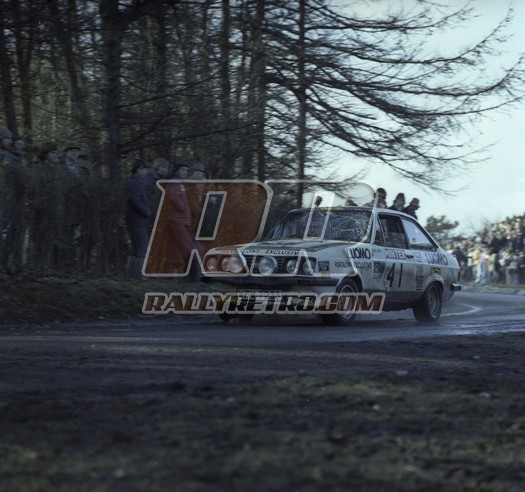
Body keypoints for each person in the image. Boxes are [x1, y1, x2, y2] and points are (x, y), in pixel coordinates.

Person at [165, 160, 203, 280]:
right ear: (176, 170)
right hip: (178, 220)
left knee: (174, 249)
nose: (184, 172)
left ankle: (172, 276)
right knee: (189, 247)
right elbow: (173, 197)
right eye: (182, 169)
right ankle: (193, 277)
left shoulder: (180, 182)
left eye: (186, 170)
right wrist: (182, 209)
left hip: (179, 220)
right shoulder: (175, 182)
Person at [0, 126, 25, 274]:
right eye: (7, 138)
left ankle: (3, 265)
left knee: (5, 234)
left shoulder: (10, 158)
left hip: (7, 202)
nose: (10, 141)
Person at [125, 159, 152, 279]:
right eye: (142, 169)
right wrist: (147, 212)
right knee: (142, 246)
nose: (144, 171)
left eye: (145, 169)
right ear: (137, 169)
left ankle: (132, 274)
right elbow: (135, 200)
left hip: (135, 219)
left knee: (135, 247)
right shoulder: (134, 183)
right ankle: (139, 274)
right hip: (137, 219)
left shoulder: (136, 182)